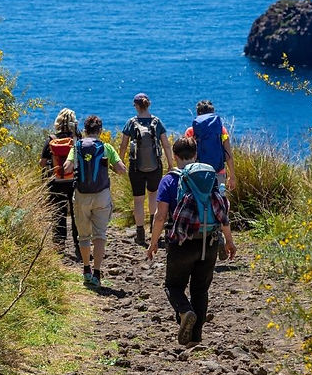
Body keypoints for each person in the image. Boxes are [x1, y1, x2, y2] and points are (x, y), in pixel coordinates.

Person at [147, 137, 236, 346]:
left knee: (173, 286)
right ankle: (195, 338)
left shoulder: (169, 180)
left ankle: (185, 311)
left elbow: (160, 216)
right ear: (196, 155)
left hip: (181, 242)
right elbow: (221, 210)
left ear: (175, 157)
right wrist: (229, 242)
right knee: (200, 290)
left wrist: (153, 243)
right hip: (210, 241)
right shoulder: (209, 177)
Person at [64, 115, 127, 288]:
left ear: (85, 130)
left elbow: (67, 168)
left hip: (82, 195)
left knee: (83, 236)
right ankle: (97, 273)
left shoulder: (76, 147)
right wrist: (110, 167)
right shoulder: (106, 147)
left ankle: (86, 270)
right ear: (100, 131)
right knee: (100, 235)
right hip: (102, 195)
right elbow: (122, 170)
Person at [119, 93, 175, 247]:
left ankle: (140, 234)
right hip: (155, 166)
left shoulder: (131, 123)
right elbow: (166, 145)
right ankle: (153, 228)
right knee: (153, 196)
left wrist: (120, 161)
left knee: (138, 200)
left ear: (136, 106)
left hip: (136, 166)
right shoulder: (157, 122)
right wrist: (171, 164)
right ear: (148, 105)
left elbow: (123, 145)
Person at [39, 108, 82, 258]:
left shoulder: (51, 139)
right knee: (77, 213)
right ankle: (79, 244)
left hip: (56, 182)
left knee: (58, 213)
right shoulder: (77, 139)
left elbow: (42, 163)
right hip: (74, 181)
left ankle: (59, 246)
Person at [184, 99, 236, 191]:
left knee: (198, 202)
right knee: (219, 202)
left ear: (198, 114)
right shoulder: (221, 130)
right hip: (219, 172)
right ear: (212, 113)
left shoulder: (190, 131)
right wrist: (232, 176)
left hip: (197, 173)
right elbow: (228, 155)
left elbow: (186, 156)